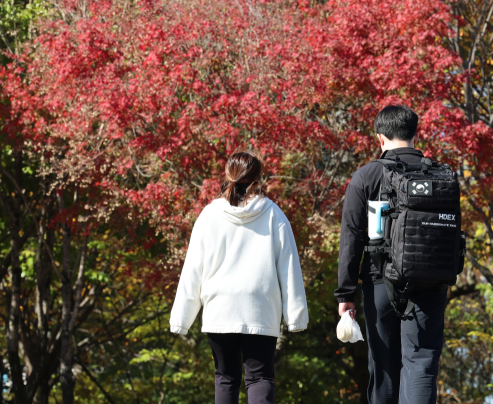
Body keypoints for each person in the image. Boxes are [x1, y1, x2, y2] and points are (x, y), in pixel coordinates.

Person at [170, 151, 309, 404]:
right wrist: (296, 316)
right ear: (259, 178)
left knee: (226, 377)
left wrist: (181, 319)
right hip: (261, 307)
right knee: (260, 377)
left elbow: (193, 269)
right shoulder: (274, 215)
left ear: (227, 175)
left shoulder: (209, 215)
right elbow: (289, 267)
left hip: (220, 307)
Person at [334, 105, 448, 404]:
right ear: (415, 133)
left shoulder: (368, 175)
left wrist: (345, 294)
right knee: (422, 363)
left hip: (380, 282)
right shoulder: (440, 173)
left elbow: (352, 237)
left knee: (383, 369)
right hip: (430, 283)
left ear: (380, 138)